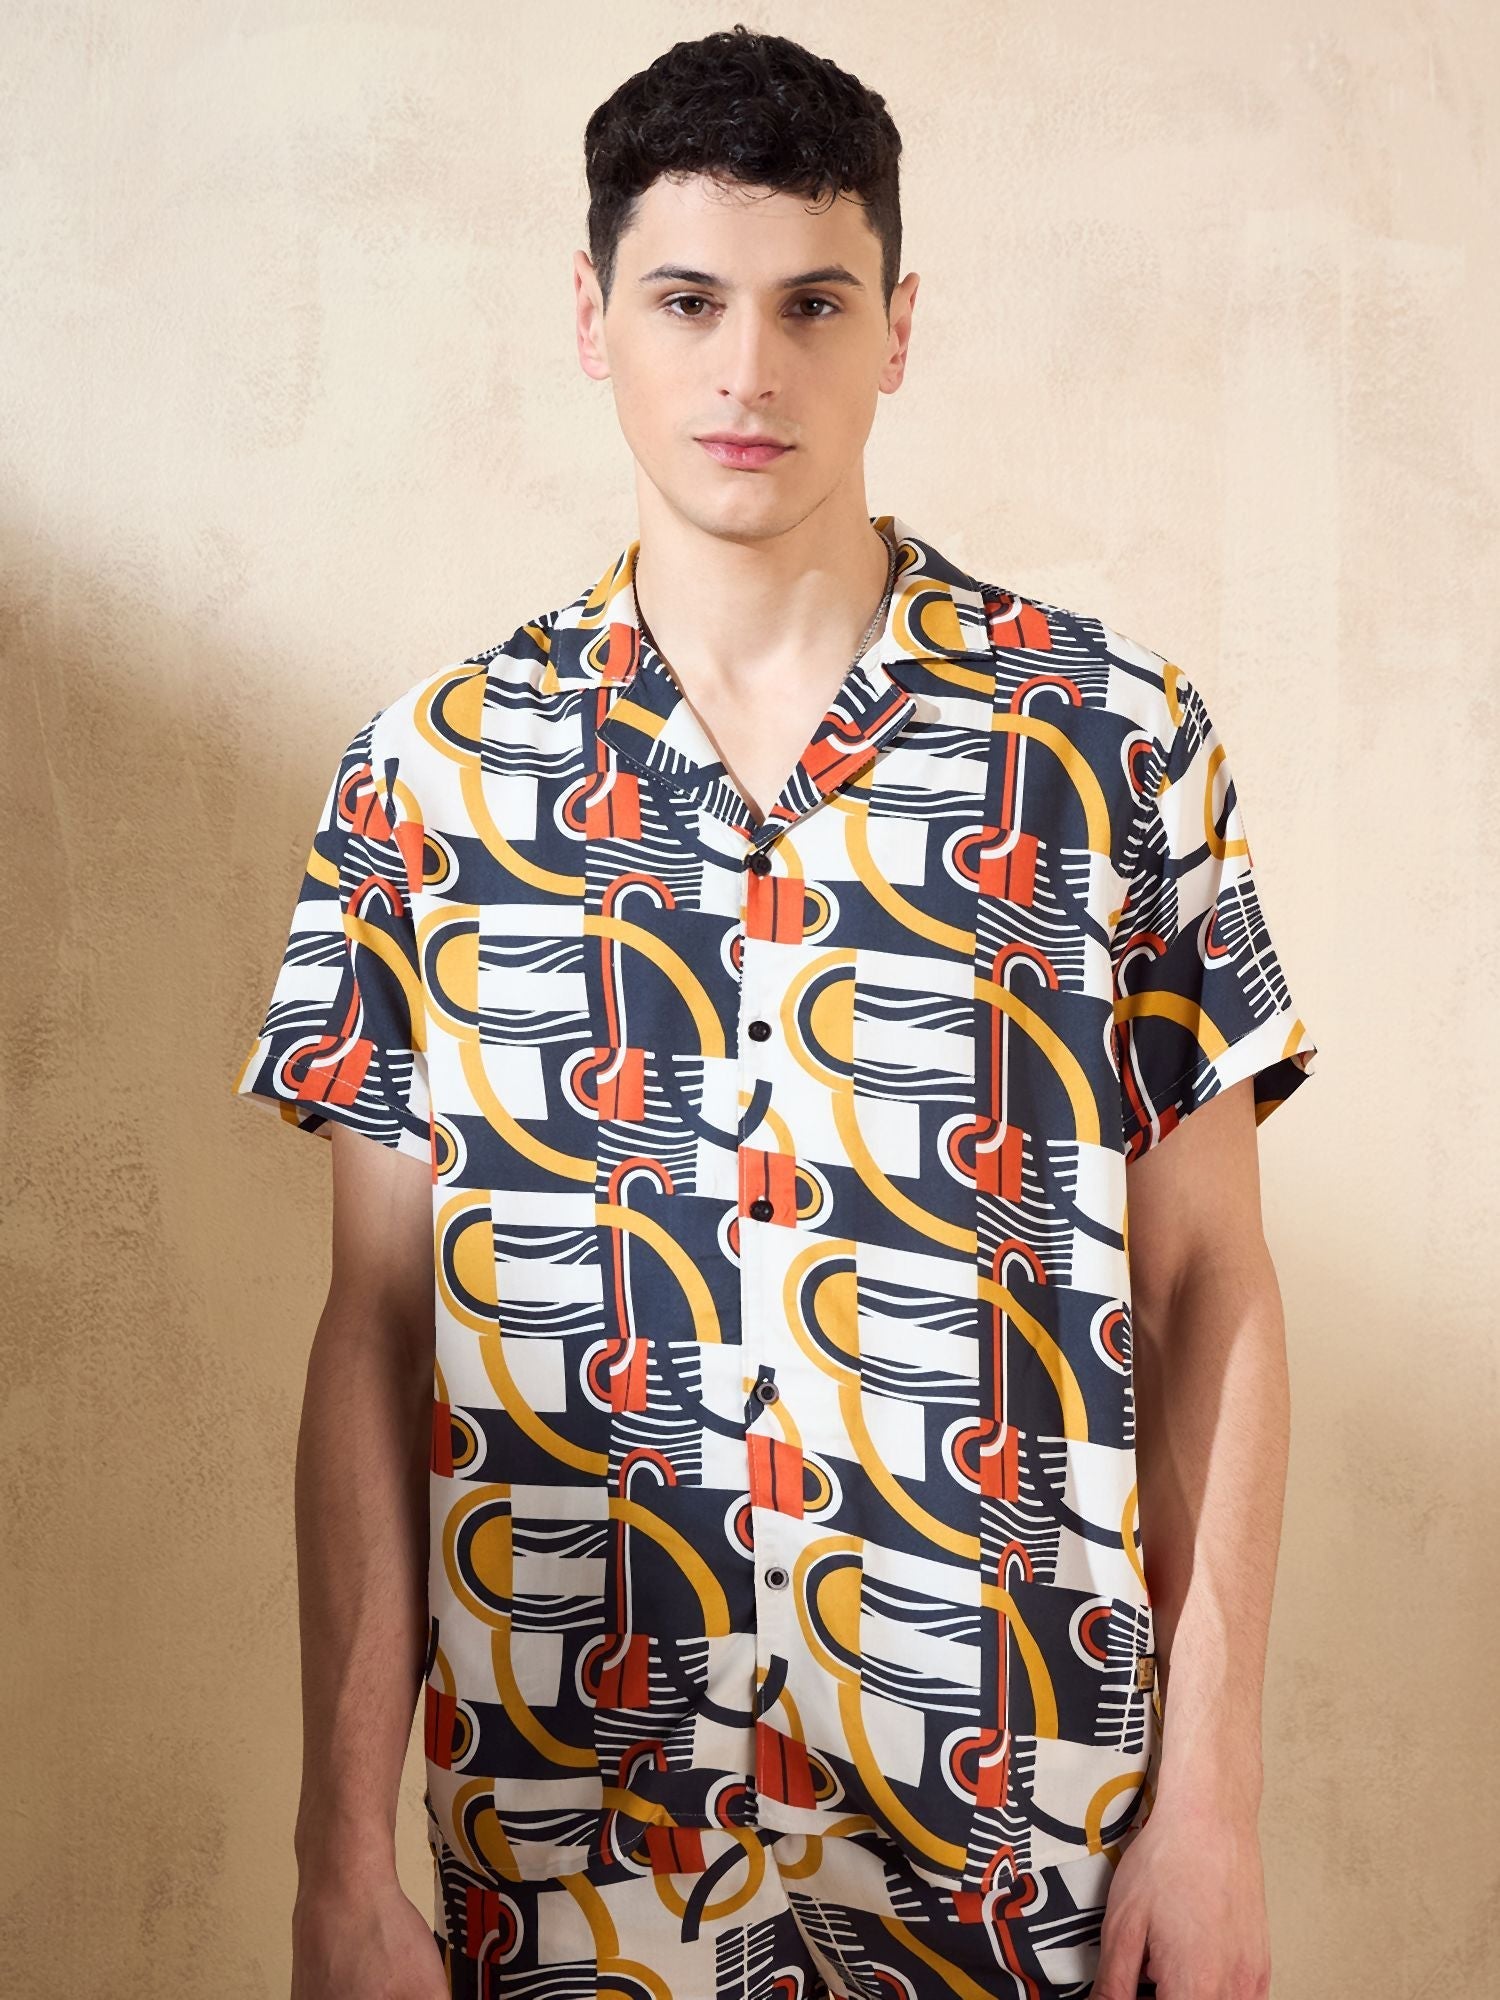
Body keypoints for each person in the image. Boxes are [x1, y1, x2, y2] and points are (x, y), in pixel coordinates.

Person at [233, 25, 1318, 2000]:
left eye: (813, 302)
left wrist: (1217, 1808)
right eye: (687, 301)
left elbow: (1207, 1292)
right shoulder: (428, 777)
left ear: (897, 327)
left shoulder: (1112, 747)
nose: (749, 369)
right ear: (591, 318)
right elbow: (376, 1338)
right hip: (568, 1862)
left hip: (1023, 1865)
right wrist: (335, 1859)